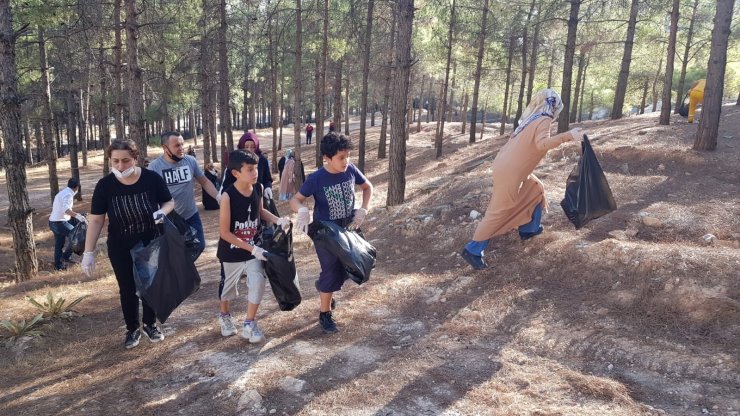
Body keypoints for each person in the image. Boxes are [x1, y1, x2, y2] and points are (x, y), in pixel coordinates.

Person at [460, 89, 583, 270]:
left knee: (535, 187)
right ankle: (473, 249)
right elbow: (541, 144)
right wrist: (568, 136)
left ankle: (529, 229)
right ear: (553, 104)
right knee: (499, 210)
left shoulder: (530, 119)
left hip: (506, 166)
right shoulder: (544, 119)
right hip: (511, 171)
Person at [81, 139, 175, 349]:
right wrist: (89, 251)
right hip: (119, 244)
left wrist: (163, 211)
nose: (121, 166)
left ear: (135, 158)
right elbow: (96, 219)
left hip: (149, 241)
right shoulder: (105, 186)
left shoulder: (151, 178)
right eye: (116, 161)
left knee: (150, 284)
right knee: (127, 288)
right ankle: (132, 329)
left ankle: (150, 324)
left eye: (125, 160)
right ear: (110, 161)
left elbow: (169, 201)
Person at [290, 132, 373, 334]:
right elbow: (295, 199)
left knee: (351, 265)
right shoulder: (317, 178)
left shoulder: (351, 170)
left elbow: (367, 187)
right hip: (325, 232)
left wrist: (363, 209)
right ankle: (325, 314)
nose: (346, 161)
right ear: (327, 158)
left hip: (348, 228)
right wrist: (301, 210)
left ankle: (325, 286)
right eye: (341, 158)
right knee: (330, 271)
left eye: (348, 156)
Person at [216, 150, 291, 342]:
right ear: (235, 173)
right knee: (228, 289)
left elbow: (261, 211)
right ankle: (224, 316)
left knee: (258, 282)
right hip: (231, 253)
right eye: (250, 169)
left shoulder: (257, 187)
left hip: (253, 250)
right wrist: (252, 249)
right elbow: (224, 233)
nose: (255, 172)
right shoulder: (228, 196)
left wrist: (278, 220)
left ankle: (249, 323)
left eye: (256, 168)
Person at [148, 132, 219, 255]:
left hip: (191, 215)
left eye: (182, 144)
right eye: (176, 145)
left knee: (199, 245)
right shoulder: (154, 167)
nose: (181, 148)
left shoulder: (190, 161)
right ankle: (179, 272)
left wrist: (219, 197)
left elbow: (205, 182)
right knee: (173, 252)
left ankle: (181, 271)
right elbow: (149, 195)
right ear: (165, 148)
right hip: (168, 219)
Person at [220, 132, 273, 200]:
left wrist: (267, 188)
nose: (249, 150)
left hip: (259, 198)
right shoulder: (235, 162)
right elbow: (226, 186)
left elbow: (267, 179)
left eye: (253, 147)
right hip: (239, 200)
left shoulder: (262, 160)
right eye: (246, 147)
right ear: (241, 146)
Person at [48, 177, 87, 270]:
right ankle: (65, 256)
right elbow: (65, 209)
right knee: (76, 237)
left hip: (53, 222)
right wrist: (77, 216)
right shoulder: (68, 195)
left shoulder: (62, 192)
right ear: (77, 187)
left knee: (59, 244)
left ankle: (58, 265)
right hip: (59, 223)